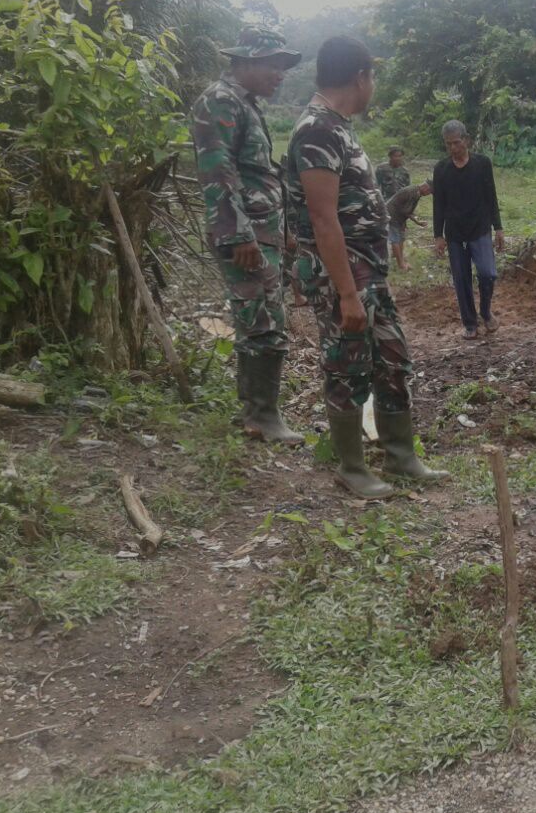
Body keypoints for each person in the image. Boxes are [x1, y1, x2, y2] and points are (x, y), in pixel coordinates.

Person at [286, 35, 447, 497]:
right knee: (347, 364)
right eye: (373, 76)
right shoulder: (316, 129)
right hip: (344, 277)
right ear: (360, 77)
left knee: (393, 359)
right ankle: (352, 467)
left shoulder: (337, 125)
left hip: (368, 274)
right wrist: (347, 293)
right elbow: (321, 217)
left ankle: (401, 457)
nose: (373, 85)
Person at [190, 25, 304, 444]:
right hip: (245, 235)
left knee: (266, 317)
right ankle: (261, 416)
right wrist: (239, 235)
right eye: (275, 65)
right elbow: (218, 172)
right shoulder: (219, 101)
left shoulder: (244, 104)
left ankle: (261, 413)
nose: (281, 74)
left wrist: (283, 231)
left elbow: (259, 175)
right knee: (261, 322)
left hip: (261, 233)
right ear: (247, 62)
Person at [431, 122, 503, 339]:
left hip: (480, 228)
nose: (453, 148)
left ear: (467, 140)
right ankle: (470, 323)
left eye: (457, 142)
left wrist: (498, 227)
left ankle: (485, 311)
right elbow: (439, 204)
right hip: (455, 232)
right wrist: (438, 235)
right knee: (461, 280)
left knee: (487, 273)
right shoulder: (441, 170)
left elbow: (491, 196)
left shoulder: (482, 164)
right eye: (448, 144)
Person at [376, 147, 413, 271]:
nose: (398, 158)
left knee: (401, 232)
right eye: (395, 156)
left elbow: (408, 190)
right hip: (387, 205)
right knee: (393, 233)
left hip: (401, 207)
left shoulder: (404, 171)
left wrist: (409, 210)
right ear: (390, 156)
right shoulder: (381, 169)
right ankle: (400, 262)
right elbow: (376, 186)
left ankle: (398, 256)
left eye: (400, 156)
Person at [385, 179, 432, 270]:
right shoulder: (412, 193)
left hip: (399, 216)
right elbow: (406, 211)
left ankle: (399, 258)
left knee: (401, 237)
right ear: (425, 187)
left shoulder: (416, 192)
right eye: (429, 191)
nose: (428, 194)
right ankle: (401, 265)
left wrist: (415, 221)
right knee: (396, 239)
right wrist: (417, 221)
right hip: (392, 215)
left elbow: (407, 210)